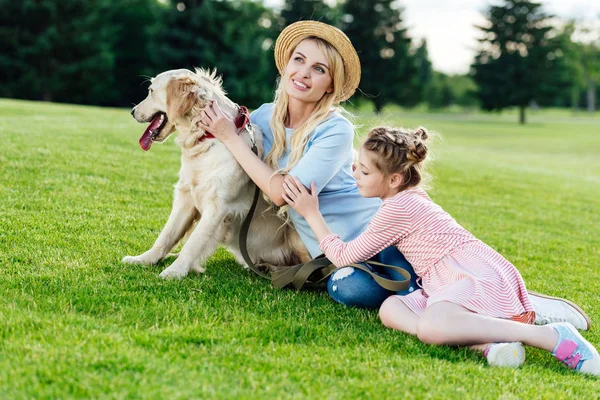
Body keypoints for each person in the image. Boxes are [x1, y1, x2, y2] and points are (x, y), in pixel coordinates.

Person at [197, 20, 590, 329]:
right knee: (345, 287)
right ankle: (466, 304)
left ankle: (517, 304)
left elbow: (284, 193)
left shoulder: (335, 129)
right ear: (285, 64)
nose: (304, 73)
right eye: (299, 60)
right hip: (336, 253)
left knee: (374, 286)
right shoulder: (264, 117)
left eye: (319, 69)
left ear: (330, 85)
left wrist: (231, 139)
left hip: (384, 239)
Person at [282, 125, 599, 373]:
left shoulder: (396, 209)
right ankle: (487, 344)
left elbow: (346, 256)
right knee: (391, 309)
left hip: (469, 273)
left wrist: (312, 213)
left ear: (393, 179)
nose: (355, 175)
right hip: (441, 280)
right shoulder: (404, 198)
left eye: (364, 172)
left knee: (432, 327)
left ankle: (554, 337)